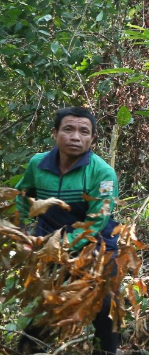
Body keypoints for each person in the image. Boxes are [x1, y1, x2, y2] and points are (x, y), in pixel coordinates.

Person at [14, 107, 121, 355]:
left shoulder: (103, 173)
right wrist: (20, 232)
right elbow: (21, 196)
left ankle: (107, 351)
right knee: (46, 306)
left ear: (93, 138)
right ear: (55, 133)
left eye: (84, 131)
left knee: (105, 306)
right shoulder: (38, 164)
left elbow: (96, 222)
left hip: (97, 246)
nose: (75, 137)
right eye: (68, 129)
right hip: (49, 243)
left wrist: (59, 247)